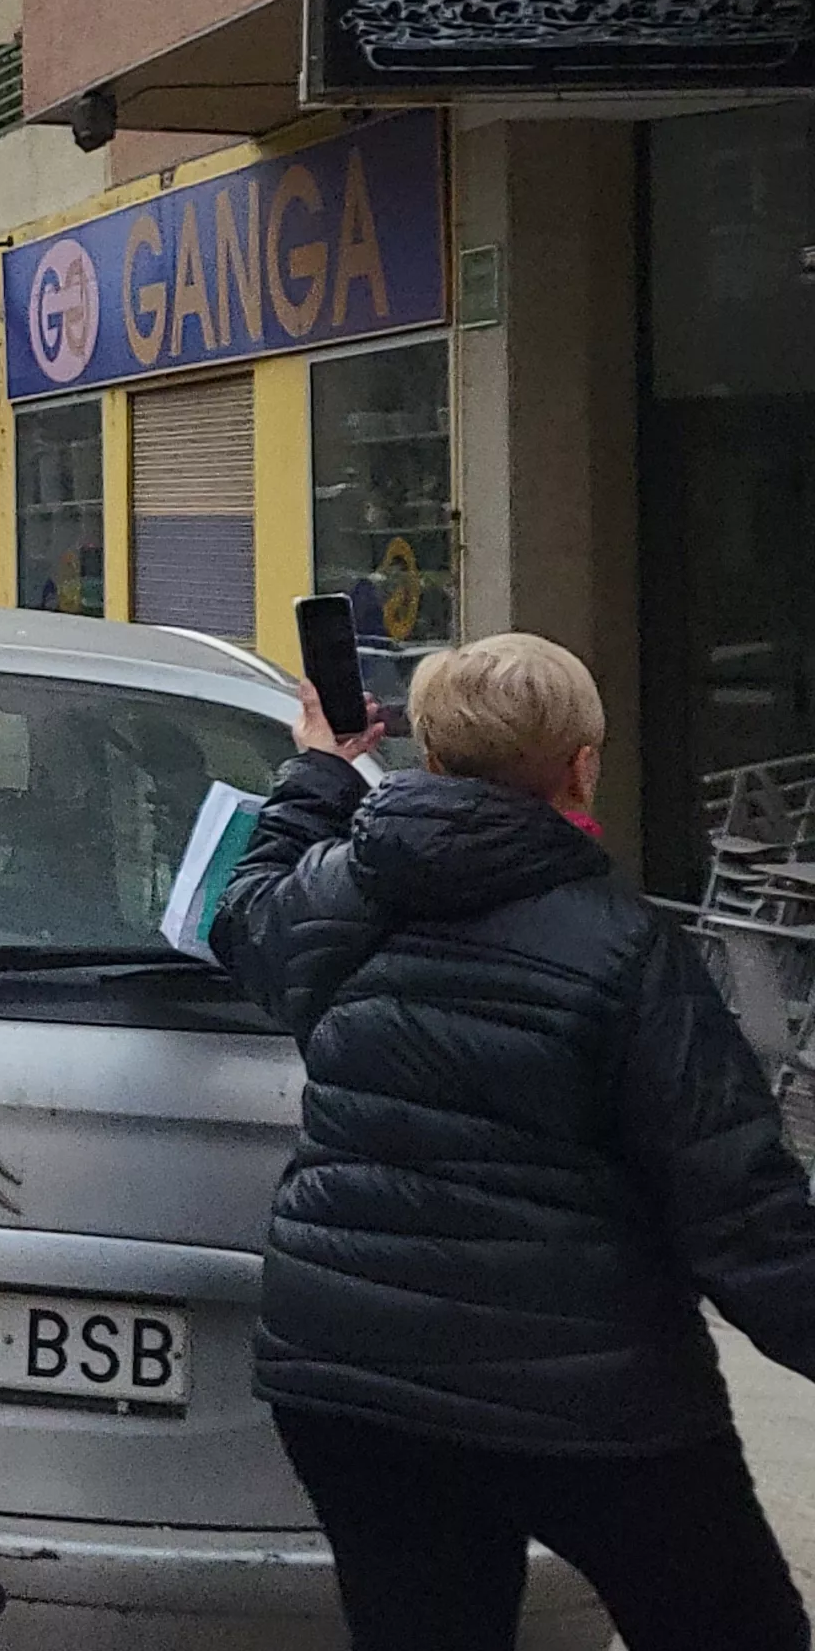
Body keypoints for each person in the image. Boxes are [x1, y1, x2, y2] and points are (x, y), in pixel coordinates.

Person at [210, 631, 815, 1651]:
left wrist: (319, 768)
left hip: (350, 1378)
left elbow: (243, 912)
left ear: (432, 757)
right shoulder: (625, 950)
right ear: (580, 765)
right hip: (585, 1399)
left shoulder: (336, 896)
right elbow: (739, 1207)